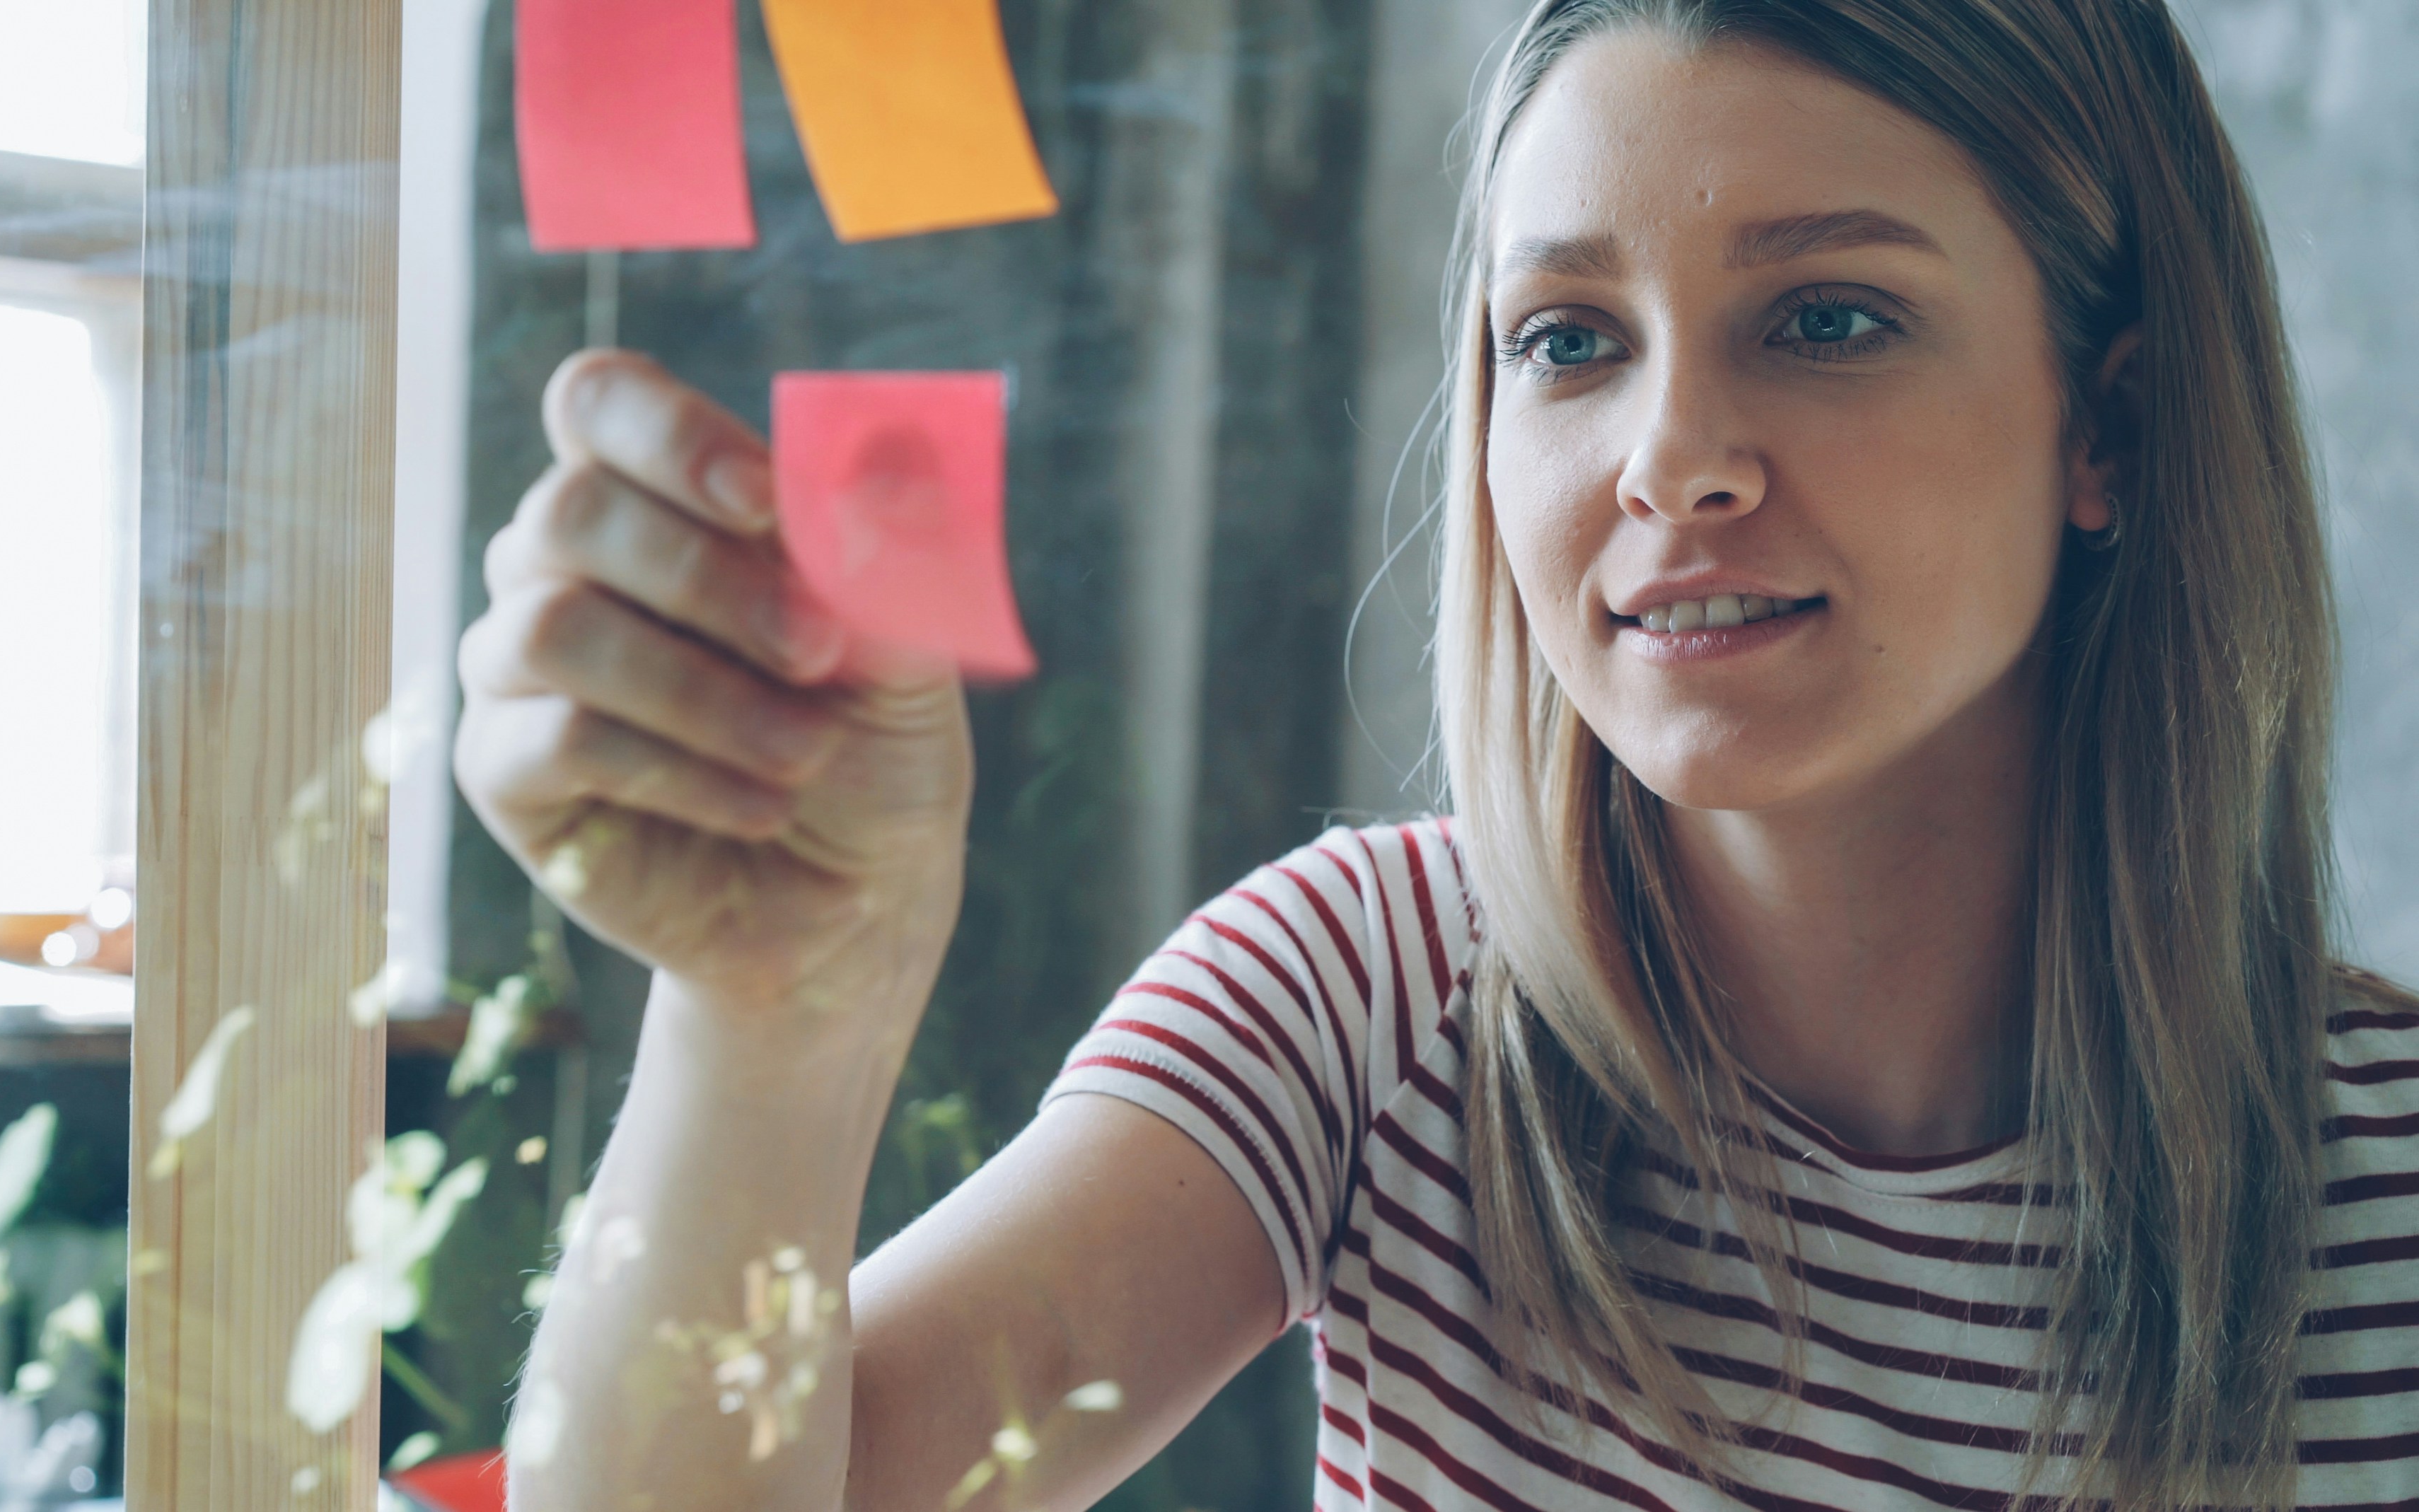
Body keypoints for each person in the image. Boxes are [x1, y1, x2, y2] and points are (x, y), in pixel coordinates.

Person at [453, 0, 2419, 1506]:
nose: (1669, 459)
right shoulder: (1367, 994)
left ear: (2120, 433)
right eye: (1568, 339)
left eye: (1826, 319)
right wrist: (774, 1013)